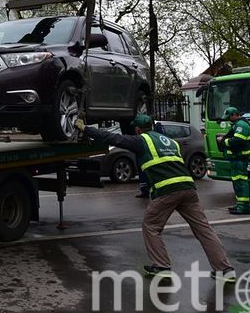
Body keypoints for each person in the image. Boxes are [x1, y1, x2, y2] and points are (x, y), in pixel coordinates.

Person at [76, 114, 236, 282]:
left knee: (151, 225)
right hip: (189, 189)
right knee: (204, 229)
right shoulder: (170, 141)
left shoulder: (141, 140)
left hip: (167, 190)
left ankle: (161, 267)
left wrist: (85, 129)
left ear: (137, 129)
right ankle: (225, 270)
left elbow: (112, 138)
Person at [220, 107, 250, 215]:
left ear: (234, 114)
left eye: (229, 117)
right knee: (237, 183)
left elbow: (237, 142)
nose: (228, 120)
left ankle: (244, 207)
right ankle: (240, 204)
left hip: (240, 159)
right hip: (236, 159)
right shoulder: (237, 125)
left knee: (241, 183)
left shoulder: (241, 125)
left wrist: (224, 141)